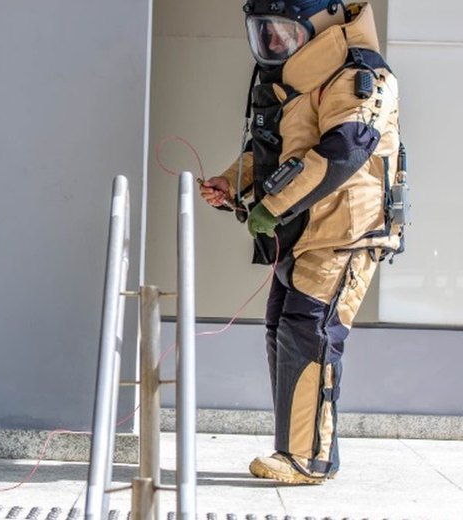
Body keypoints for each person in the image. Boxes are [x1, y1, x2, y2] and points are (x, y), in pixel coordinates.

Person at [199, 0, 404, 484]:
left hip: (346, 231)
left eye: (283, 30)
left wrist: (274, 206)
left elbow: (344, 148)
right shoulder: (295, 81)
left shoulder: (360, 75)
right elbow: (272, 150)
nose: (273, 41)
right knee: (284, 327)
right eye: (264, 31)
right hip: (307, 229)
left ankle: (308, 458)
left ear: (324, 22)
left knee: (310, 330)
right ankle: (295, 450)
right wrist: (234, 184)